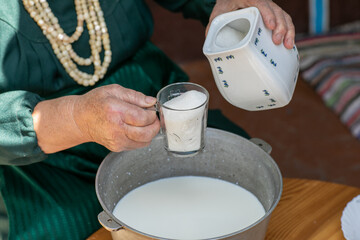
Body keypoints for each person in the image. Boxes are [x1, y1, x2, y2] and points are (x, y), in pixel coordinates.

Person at [0, 0, 295, 239]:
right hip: (44, 153)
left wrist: (224, 5)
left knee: (245, 176)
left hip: (155, 105)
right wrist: (76, 119)